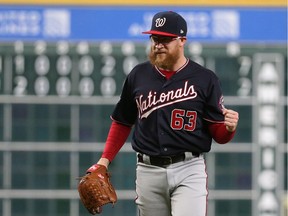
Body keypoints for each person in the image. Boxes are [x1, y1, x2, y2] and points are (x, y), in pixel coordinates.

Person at [86, 11, 239, 216]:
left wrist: (229, 128)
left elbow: (218, 135)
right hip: (148, 170)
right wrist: (104, 161)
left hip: (188, 169)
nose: (158, 44)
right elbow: (122, 121)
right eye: (155, 38)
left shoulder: (204, 79)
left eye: (165, 39)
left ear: (182, 41)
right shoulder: (138, 75)